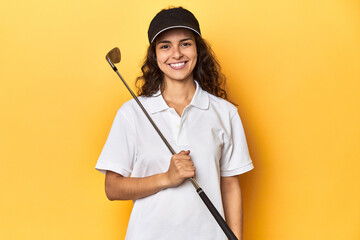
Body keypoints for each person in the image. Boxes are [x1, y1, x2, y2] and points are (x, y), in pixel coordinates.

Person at [96, 7, 254, 240]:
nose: (176, 54)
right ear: (155, 55)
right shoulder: (131, 113)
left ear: (198, 49)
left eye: (185, 43)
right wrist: (166, 178)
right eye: (165, 46)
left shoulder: (224, 113)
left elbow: (230, 186)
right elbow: (112, 188)